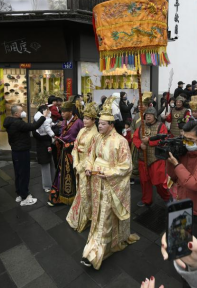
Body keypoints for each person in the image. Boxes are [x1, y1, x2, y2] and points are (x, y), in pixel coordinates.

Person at [81, 97, 139, 269]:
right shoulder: (97, 138)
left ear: (112, 125)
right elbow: (91, 156)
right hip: (96, 181)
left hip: (110, 184)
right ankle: (101, 243)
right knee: (98, 214)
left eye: (103, 124)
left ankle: (95, 252)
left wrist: (107, 173)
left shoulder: (120, 141)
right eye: (99, 123)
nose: (99, 126)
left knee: (105, 216)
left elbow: (126, 166)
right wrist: (88, 167)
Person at [166, 121, 197, 251]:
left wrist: (177, 165)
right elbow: (174, 175)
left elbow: (195, 184)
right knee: (178, 244)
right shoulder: (185, 151)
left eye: (190, 140)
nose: (186, 143)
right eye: (184, 139)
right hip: (181, 202)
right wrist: (171, 161)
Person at [4, 105, 48, 207]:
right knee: (24, 173)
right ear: (16, 114)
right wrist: (43, 116)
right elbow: (33, 127)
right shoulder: (17, 123)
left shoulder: (10, 122)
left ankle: (19, 193)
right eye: (21, 111)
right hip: (21, 151)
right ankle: (24, 197)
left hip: (16, 150)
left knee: (19, 173)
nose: (23, 112)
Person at [67, 103, 99, 232]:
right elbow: (75, 146)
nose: (84, 121)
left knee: (86, 192)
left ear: (93, 120)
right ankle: (78, 216)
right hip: (79, 162)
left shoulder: (95, 135)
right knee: (80, 191)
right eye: (84, 118)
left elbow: (93, 154)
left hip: (87, 166)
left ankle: (86, 218)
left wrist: (83, 165)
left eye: (88, 118)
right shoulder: (81, 130)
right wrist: (76, 162)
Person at [49, 101, 84, 206]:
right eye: (61, 112)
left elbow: (82, 139)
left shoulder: (78, 122)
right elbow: (62, 134)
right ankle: (59, 196)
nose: (62, 114)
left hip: (73, 153)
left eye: (64, 112)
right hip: (63, 151)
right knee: (61, 173)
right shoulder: (64, 121)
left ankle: (73, 195)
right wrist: (58, 139)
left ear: (70, 112)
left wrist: (72, 144)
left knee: (71, 174)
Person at [133, 107, 169, 207]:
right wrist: (140, 144)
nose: (148, 116)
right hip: (143, 159)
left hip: (156, 159)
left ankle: (166, 197)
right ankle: (146, 200)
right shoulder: (141, 126)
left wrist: (149, 141)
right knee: (145, 182)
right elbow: (135, 137)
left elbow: (163, 138)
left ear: (155, 116)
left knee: (159, 182)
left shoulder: (161, 126)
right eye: (146, 115)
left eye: (150, 114)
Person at [33, 105, 56, 193]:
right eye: (47, 111)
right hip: (43, 146)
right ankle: (47, 185)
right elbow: (36, 134)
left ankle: (53, 182)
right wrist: (50, 136)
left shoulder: (45, 120)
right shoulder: (38, 121)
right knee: (45, 165)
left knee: (51, 163)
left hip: (48, 144)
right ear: (43, 111)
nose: (49, 112)